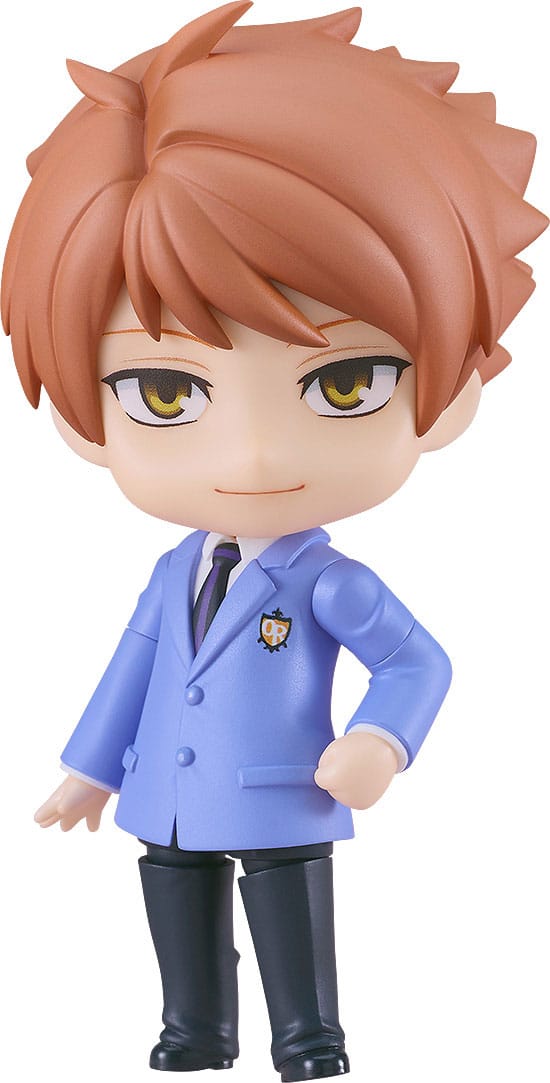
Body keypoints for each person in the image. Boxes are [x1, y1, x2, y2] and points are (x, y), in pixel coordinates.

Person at [3, 3, 546, 1080]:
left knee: (291, 919)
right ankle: (194, 1030)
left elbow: (418, 662)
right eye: (165, 391)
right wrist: (88, 770)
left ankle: (309, 1038)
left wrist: (379, 742)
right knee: (174, 901)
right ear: (82, 417)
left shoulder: (329, 581)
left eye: (344, 383)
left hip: (283, 792)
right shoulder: (173, 569)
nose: (252, 456)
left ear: (447, 396)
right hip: (165, 795)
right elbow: (134, 668)